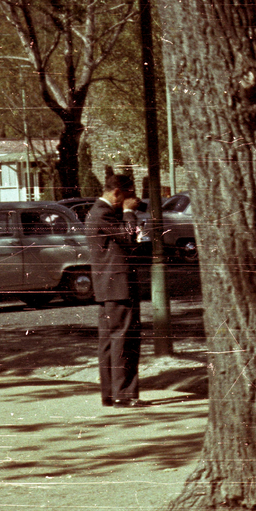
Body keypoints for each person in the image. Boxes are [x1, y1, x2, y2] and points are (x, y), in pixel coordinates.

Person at [86, 173, 144, 409]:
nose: (133, 200)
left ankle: (111, 393)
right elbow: (129, 238)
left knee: (110, 341)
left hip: (108, 287)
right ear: (118, 192)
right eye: (129, 195)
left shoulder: (99, 212)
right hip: (118, 286)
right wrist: (130, 213)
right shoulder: (103, 213)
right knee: (124, 339)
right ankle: (124, 394)